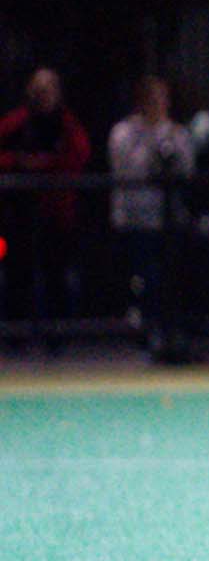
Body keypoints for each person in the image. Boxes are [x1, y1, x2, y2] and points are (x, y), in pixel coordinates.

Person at [0, 68, 91, 354]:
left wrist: (41, 166)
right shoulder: (15, 123)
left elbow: (78, 157)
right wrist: (17, 162)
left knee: (58, 275)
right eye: (38, 89)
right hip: (18, 216)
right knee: (18, 274)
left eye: (49, 89)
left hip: (56, 215)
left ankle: (57, 337)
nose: (43, 95)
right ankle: (16, 337)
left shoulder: (68, 125)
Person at [108, 75, 193, 362]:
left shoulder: (178, 134)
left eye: (162, 98)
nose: (157, 104)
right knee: (144, 280)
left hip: (169, 222)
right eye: (151, 98)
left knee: (170, 281)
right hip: (136, 220)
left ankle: (170, 336)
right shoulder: (123, 132)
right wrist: (152, 155)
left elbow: (186, 170)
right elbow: (127, 170)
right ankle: (145, 337)